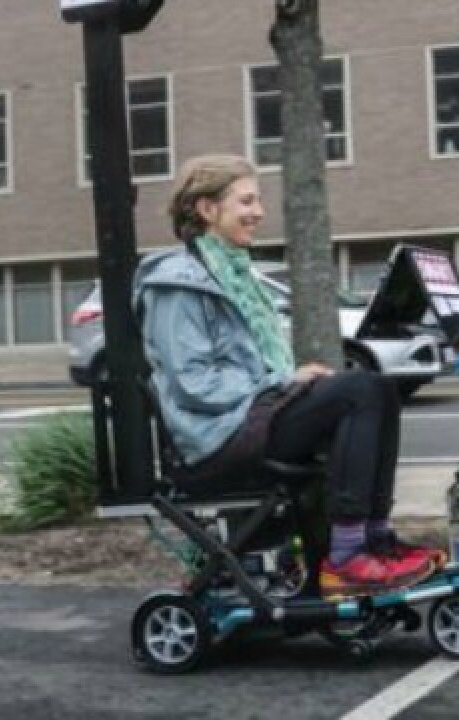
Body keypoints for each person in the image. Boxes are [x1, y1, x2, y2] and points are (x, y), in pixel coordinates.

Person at [133, 154, 439, 600]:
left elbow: (250, 370)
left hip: (249, 418)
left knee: (378, 388)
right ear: (206, 209)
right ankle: (349, 556)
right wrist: (280, 385)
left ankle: (375, 541)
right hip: (217, 437)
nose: (258, 212)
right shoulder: (178, 285)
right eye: (246, 201)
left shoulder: (235, 274)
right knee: (360, 391)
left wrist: (289, 380)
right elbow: (193, 383)